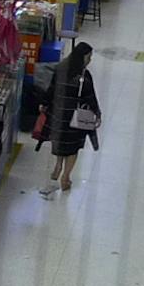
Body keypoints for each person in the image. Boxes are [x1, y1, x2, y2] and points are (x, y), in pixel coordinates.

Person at [41, 41, 100, 198]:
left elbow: (51, 89)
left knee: (60, 142)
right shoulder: (84, 76)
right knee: (73, 148)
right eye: (88, 57)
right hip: (75, 118)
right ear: (82, 57)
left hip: (58, 115)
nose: (89, 60)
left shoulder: (60, 68)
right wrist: (97, 114)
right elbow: (90, 97)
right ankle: (65, 177)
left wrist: (44, 103)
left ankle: (57, 167)